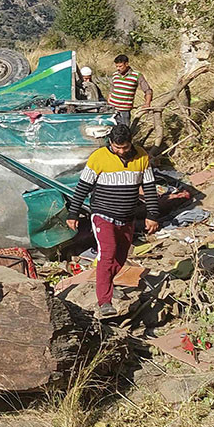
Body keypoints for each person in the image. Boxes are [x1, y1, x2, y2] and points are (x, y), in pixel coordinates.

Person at [65, 124, 160, 318]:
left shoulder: (141, 157)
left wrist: (153, 215)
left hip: (127, 216)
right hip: (103, 215)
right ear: (110, 143)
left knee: (121, 256)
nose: (121, 151)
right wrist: (73, 214)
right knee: (107, 254)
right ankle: (104, 301)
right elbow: (82, 187)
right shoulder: (98, 158)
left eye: (125, 147)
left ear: (130, 143)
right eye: (117, 148)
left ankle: (108, 283)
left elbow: (149, 188)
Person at [107, 54, 151, 127]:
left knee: (124, 131)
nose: (118, 68)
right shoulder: (115, 75)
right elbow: (111, 91)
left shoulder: (136, 75)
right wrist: (109, 102)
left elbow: (147, 90)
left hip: (124, 111)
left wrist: (147, 103)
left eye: (120, 66)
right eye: (116, 66)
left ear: (126, 64)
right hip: (112, 109)